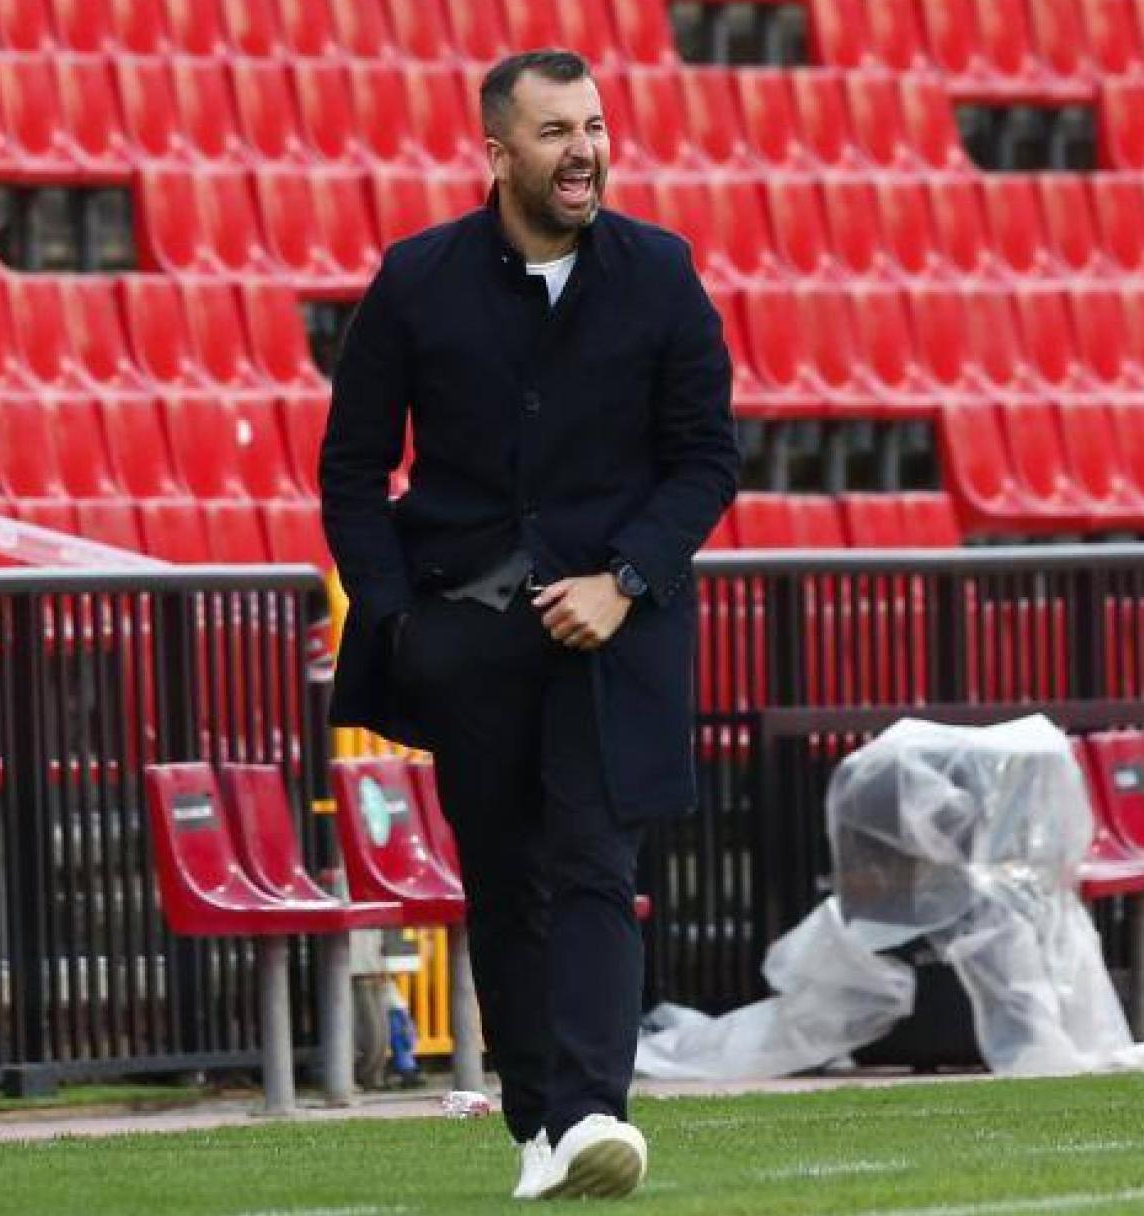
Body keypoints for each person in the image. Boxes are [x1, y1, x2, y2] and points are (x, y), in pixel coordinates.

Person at [320, 47, 738, 1200]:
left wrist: (627, 580)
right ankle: (538, 1126)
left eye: (595, 126)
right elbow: (353, 471)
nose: (585, 151)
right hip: (468, 638)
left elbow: (707, 458)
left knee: (596, 862)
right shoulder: (416, 280)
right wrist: (406, 623)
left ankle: (596, 1114)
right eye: (556, 132)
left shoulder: (661, 272)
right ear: (498, 152)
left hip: (621, 631)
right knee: (504, 882)